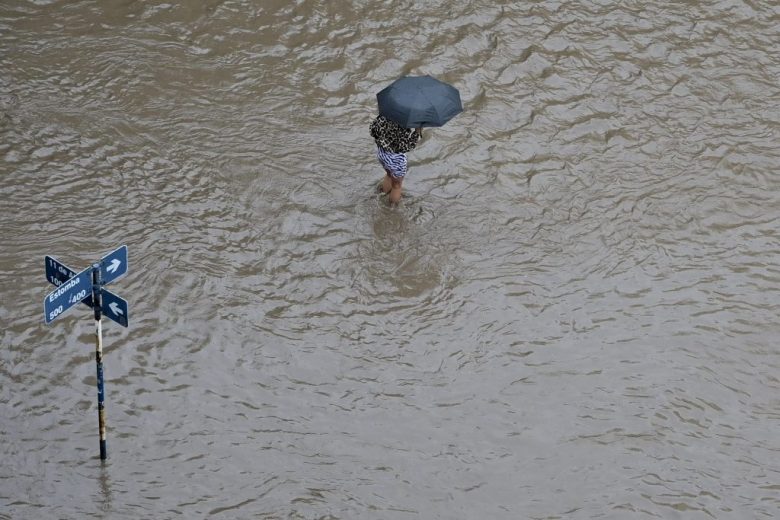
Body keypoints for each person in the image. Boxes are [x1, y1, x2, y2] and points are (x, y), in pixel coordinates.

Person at [369, 114, 422, 204]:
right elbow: (407, 146)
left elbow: (372, 130)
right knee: (397, 185)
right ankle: (392, 208)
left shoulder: (383, 115)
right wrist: (417, 132)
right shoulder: (402, 124)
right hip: (396, 159)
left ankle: (384, 193)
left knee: (389, 174)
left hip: (382, 154)